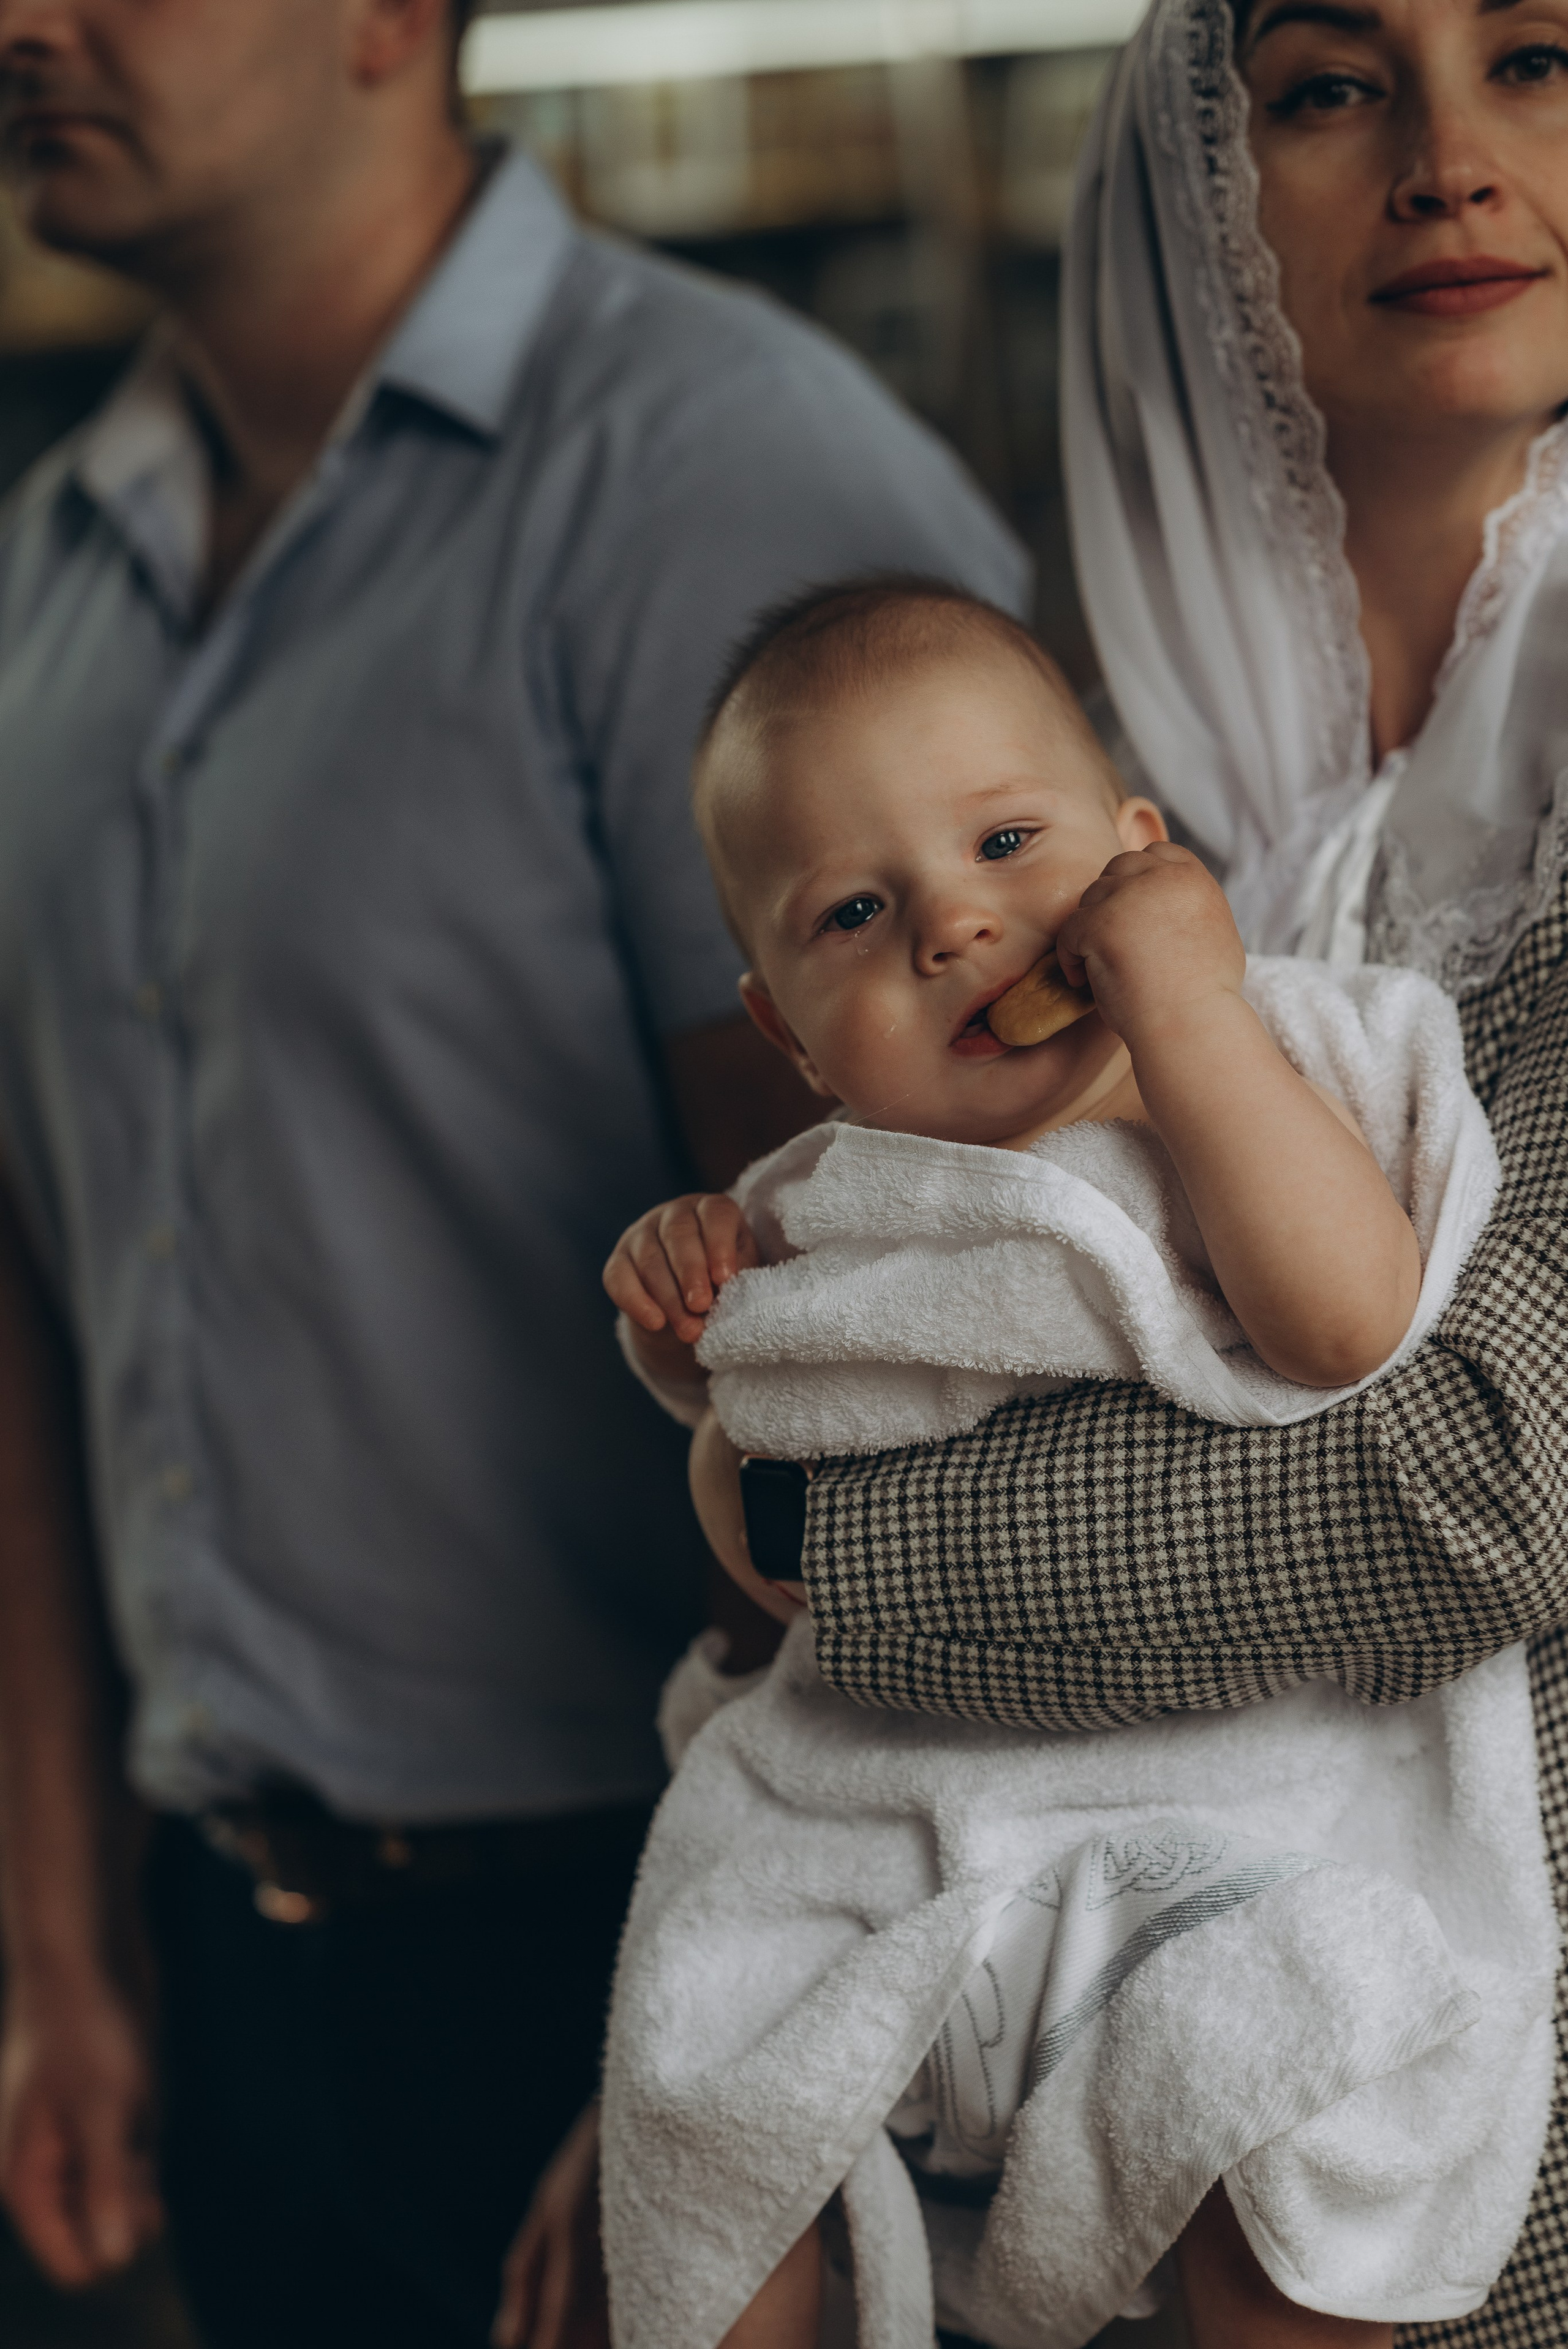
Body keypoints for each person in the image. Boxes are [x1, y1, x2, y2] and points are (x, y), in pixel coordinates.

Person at [0, 3, 1027, 2344]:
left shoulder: (709, 479)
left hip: (643, 1938)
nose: (23, 23)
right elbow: (41, 1300)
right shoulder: (53, 573)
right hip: (221, 1963)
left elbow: (938, 1323)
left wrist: (723, 2014)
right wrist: (56, 1937)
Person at [655, 4, 1568, 2345]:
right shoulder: (1011, 790)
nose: (1453, 162)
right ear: (1196, 191)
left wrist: (835, 1543)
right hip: (1032, 1996)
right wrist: (704, 2061)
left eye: (1545, 58)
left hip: (1446, 2067)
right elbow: (865, 1333)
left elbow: (1470, 1480)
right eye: (1333, 85)